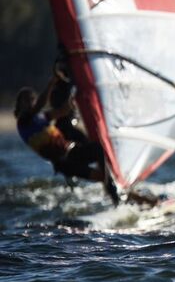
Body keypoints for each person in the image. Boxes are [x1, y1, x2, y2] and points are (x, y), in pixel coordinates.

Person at [14, 75, 155, 206]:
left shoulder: (40, 117)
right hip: (64, 163)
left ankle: (127, 198)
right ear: (19, 104)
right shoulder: (23, 121)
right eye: (26, 100)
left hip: (72, 152)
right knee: (100, 153)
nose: (30, 102)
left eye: (32, 99)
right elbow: (39, 106)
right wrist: (51, 84)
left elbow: (62, 112)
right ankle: (119, 200)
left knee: (105, 176)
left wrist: (73, 94)